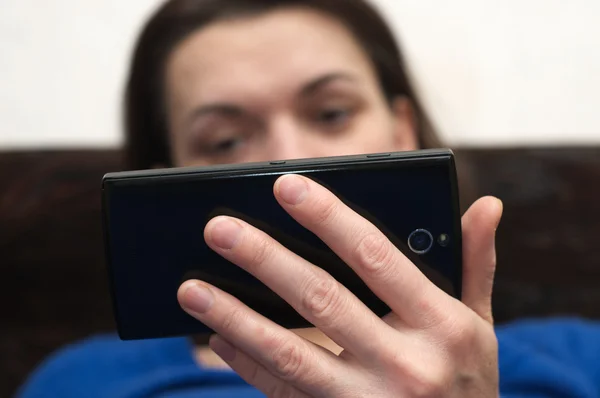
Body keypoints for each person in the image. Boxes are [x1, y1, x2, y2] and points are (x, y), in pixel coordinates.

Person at [16, 0, 600, 397]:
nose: (288, 158)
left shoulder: (579, 357)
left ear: (403, 131)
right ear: (168, 176)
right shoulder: (84, 381)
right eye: (224, 138)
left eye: (331, 113)